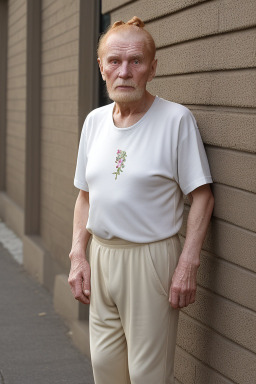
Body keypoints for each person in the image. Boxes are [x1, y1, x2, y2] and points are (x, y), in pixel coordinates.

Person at [68, 16, 214, 384]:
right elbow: (85, 195)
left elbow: (202, 197)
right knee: (105, 369)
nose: (125, 71)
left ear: (152, 67)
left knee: (148, 374)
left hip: (150, 259)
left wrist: (187, 264)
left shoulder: (175, 120)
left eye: (136, 61)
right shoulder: (95, 122)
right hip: (101, 256)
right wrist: (78, 254)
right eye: (114, 61)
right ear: (100, 66)